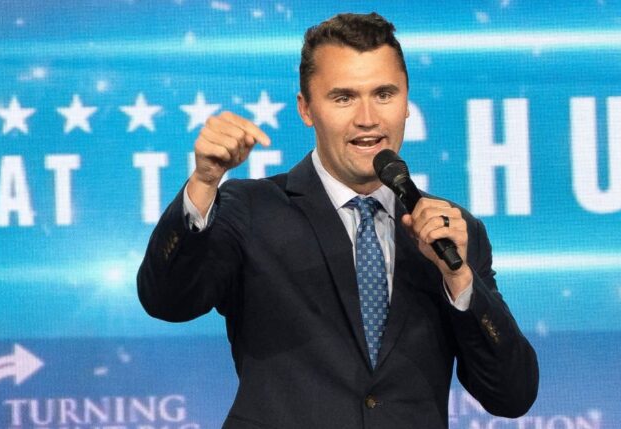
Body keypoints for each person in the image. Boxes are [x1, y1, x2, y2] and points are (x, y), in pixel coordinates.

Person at [137, 12, 538, 428]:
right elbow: (167, 300)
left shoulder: (451, 230)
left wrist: (459, 280)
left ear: (406, 103)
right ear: (307, 109)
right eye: (343, 98)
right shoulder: (251, 208)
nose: (367, 118)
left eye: (384, 94)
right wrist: (204, 181)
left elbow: (512, 394)